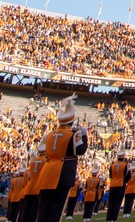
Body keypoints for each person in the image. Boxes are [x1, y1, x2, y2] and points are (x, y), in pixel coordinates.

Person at [38, 94, 88, 222]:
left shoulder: (50, 135)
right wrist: (84, 136)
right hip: (62, 172)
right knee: (56, 209)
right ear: (71, 121)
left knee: (44, 208)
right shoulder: (72, 134)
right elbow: (80, 150)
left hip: (47, 172)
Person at [22, 142, 48, 222]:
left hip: (29, 188)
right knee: (34, 213)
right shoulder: (45, 161)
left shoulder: (32, 161)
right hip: (38, 188)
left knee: (25, 212)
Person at [105, 150, 130, 222]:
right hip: (120, 184)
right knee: (117, 202)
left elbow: (110, 175)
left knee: (111, 202)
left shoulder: (112, 165)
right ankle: (114, 218)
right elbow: (128, 175)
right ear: (123, 157)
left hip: (112, 185)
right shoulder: (125, 165)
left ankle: (109, 218)